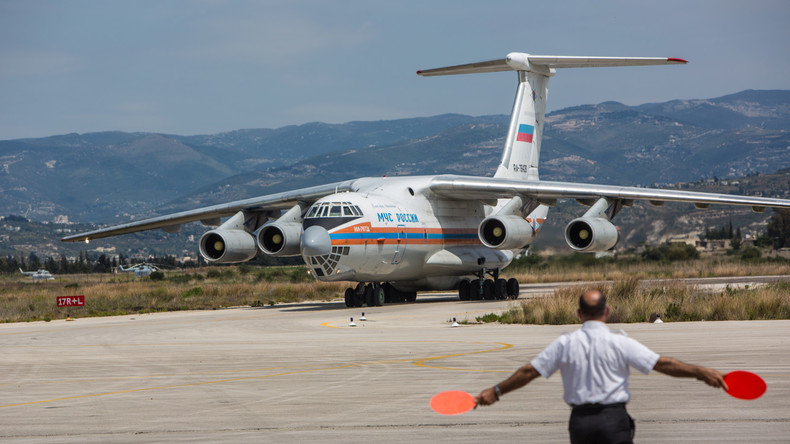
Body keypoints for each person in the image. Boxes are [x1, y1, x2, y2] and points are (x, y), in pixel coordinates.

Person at [475, 290, 728, 444]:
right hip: (613, 421)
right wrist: (700, 372)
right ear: (607, 311)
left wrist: (495, 391)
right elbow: (662, 363)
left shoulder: (565, 343)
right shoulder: (619, 342)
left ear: (578, 314)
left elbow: (529, 372)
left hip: (581, 423)